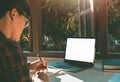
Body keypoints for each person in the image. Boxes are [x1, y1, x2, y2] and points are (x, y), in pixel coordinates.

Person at [0, 0, 48, 82]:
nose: (24, 27)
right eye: (26, 22)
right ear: (14, 13)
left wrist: (29, 66)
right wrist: (40, 79)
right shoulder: (9, 47)